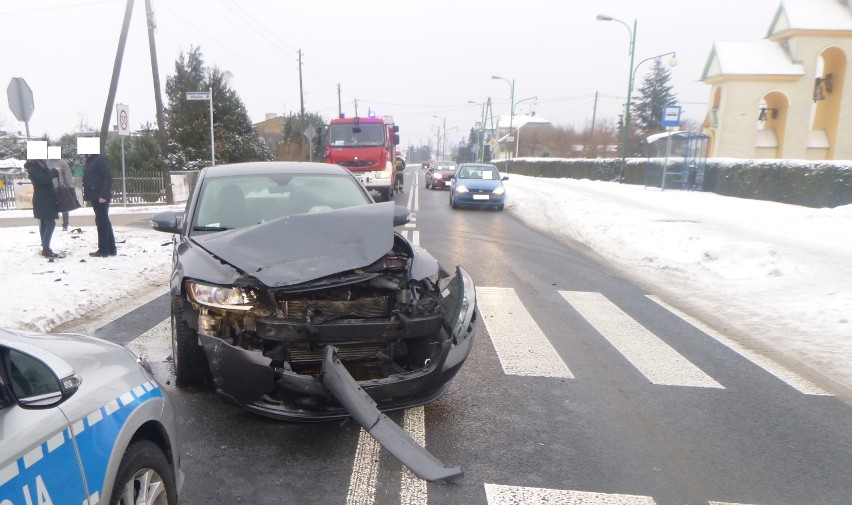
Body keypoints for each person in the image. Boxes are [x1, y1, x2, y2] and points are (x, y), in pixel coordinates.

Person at [83, 153, 116, 257]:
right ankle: (111, 249)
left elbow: (108, 177)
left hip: (100, 196)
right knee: (104, 221)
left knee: (101, 222)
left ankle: (103, 250)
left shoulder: (99, 159)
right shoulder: (90, 160)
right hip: (95, 194)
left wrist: (103, 195)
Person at [25, 159, 60, 258]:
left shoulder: (39, 165)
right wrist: (54, 171)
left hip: (45, 198)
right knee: (50, 223)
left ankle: (45, 247)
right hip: (43, 199)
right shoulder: (34, 167)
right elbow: (44, 179)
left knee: (45, 223)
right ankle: (46, 249)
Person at [49, 159, 75, 230]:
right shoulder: (47, 162)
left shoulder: (62, 162)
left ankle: (65, 224)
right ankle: (51, 223)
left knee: (64, 206)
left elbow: (68, 174)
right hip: (51, 187)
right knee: (52, 206)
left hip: (61, 186)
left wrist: (68, 185)